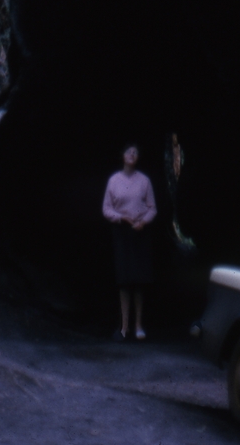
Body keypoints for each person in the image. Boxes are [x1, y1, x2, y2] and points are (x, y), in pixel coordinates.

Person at [102, 144, 157, 340]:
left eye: (136, 152)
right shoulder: (114, 181)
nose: (132, 154)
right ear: (122, 156)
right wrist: (121, 218)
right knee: (124, 282)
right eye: (129, 151)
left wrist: (143, 222)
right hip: (122, 232)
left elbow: (152, 208)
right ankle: (124, 327)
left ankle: (139, 326)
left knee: (139, 281)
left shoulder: (144, 181)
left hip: (140, 232)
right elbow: (107, 209)